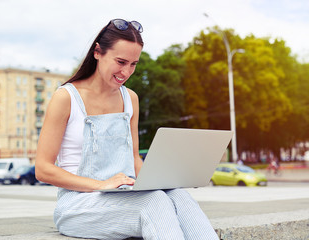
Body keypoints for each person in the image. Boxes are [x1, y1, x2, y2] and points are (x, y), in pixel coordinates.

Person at [35, 19, 218, 240]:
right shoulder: (66, 97)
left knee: (180, 197)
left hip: (122, 196)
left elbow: (134, 159)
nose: (126, 71)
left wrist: (166, 180)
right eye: (121, 61)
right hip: (79, 204)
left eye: (133, 64)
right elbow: (43, 169)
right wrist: (101, 185)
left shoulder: (130, 98)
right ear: (97, 52)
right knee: (155, 202)